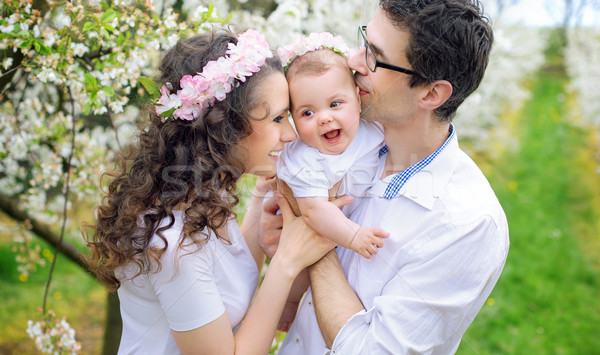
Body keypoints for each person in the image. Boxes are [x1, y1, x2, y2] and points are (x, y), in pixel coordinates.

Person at [262, 1, 510, 353]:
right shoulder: (346, 141)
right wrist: (288, 251)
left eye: (374, 57)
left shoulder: (466, 224)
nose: (353, 61)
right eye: (363, 41)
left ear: (431, 93)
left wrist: (314, 234)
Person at [85, 28, 335, 355]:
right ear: (226, 126)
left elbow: (228, 276)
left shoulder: (199, 198)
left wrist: (262, 197)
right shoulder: (172, 245)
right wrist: (287, 261)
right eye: (277, 118)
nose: (290, 134)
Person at [276, 32, 389, 258]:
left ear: (358, 100)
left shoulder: (372, 127)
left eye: (335, 104)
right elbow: (313, 210)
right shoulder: (304, 157)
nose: (324, 118)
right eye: (307, 112)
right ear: (293, 119)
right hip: (312, 236)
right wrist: (353, 235)